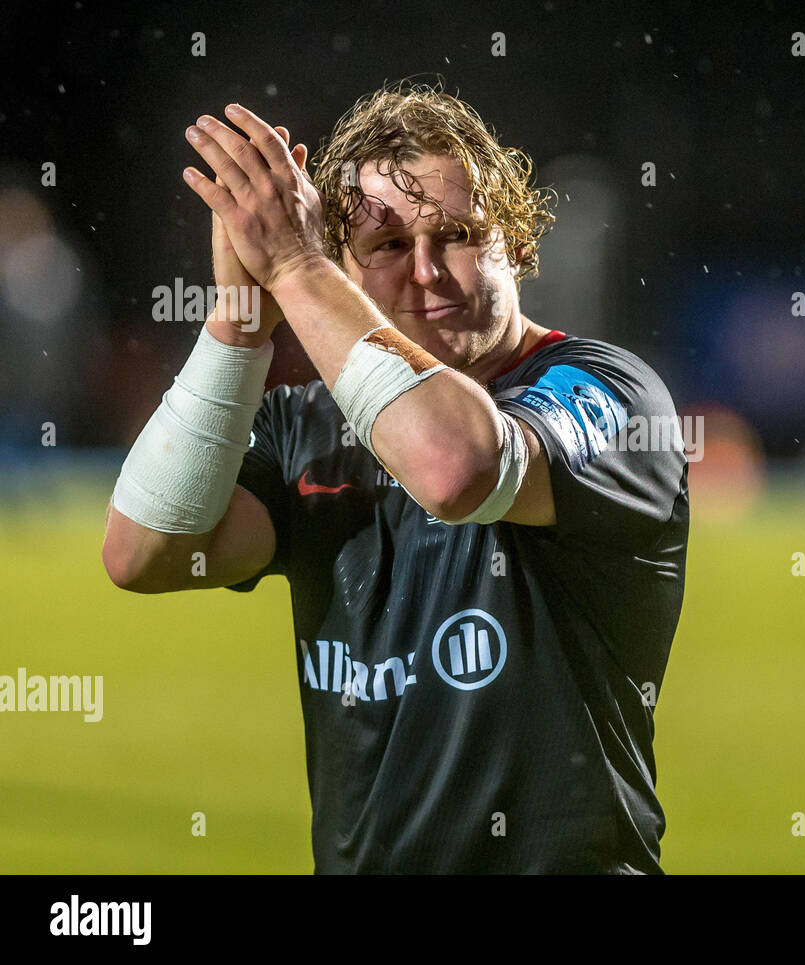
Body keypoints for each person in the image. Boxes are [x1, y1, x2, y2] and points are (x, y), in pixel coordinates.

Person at [101, 82, 690, 873]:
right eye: (384, 247)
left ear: (514, 242)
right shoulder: (301, 425)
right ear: (348, 267)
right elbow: (145, 553)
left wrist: (298, 267)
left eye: (456, 235)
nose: (426, 273)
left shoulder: (606, 391)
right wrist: (239, 324)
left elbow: (457, 470)